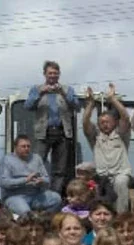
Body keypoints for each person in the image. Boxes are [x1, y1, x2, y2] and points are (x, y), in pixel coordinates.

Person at [24, 60, 80, 195]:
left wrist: (64, 94)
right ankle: (37, 194)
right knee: (37, 164)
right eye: (50, 73)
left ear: (59, 74)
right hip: (43, 133)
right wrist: (40, 93)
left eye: (55, 73)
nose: (53, 76)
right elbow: (27, 106)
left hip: (62, 132)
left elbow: (77, 106)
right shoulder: (36, 89)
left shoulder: (67, 90)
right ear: (45, 74)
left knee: (60, 169)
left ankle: (55, 196)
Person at [83, 84, 132, 213]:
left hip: (120, 174)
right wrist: (91, 104)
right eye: (101, 122)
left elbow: (126, 118)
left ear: (115, 122)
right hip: (102, 176)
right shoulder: (96, 137)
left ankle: (120, 218)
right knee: (90, 187)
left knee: (120, 182)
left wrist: (112, 99)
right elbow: (85, 123)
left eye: (107, 121)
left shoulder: (121, 135)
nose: (104, 124)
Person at [0, 135, 62, 216]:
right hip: (15, 196)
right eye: (23, 146)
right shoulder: (6, 160)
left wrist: (41, 181)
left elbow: (47, 179)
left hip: (36, 194)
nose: (26, 148)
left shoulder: (36, 158)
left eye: (28, 146)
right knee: (25, 212)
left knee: (57, 199)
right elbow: (3, 182)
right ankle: (30, 220)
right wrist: (26, 180)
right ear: (15, 147)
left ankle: (43, 218)